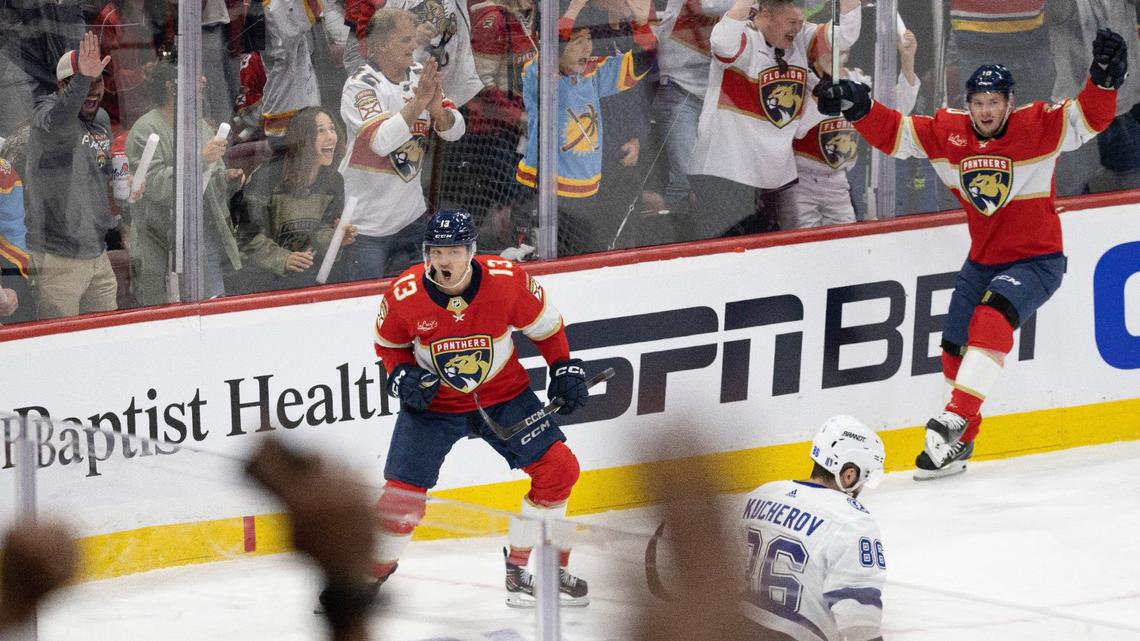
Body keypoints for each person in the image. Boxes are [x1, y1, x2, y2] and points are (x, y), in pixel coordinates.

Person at [814, 29, 1128, 480]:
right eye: (978, 102)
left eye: (994, 103)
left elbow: (1089, 119)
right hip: (982, 259)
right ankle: (959, 445)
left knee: (991, 316)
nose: (985, 111)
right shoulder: (948, 134)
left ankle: (958, 415)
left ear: (1009, 103)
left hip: (1038, 260)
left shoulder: (1037, 125)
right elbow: (897, 135)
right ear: (970, 104)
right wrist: (857, 106)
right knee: (953, 343)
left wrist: (1103, 79)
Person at [370, 208, 591, 607]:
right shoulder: (404, 294)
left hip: (504, 395)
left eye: (453, 251)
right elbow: (389, 346)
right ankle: (365, 579)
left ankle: (527, 569)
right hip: (435, 405)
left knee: (560, 470)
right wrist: (402, 376)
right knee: (400, 500)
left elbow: (546, 326)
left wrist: (562, 366)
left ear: (471, 250)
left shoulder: (507, 281)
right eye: (436, 251)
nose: (444, 261)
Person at [685, 0, 861, 239]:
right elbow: (722, 43)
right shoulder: (743, 37)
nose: (797, 28)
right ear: (765, 14)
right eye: (791, 22)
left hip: (773, 179)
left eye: (800, 22)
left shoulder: (802, 38)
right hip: (727, 174)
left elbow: (845, 35)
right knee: (728, 261)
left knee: (771, 262)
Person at [515, 0, 656, 256]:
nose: (586, 47)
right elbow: (551, 48)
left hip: (588, 193)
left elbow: (641, 65)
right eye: (577, 40)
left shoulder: (592, 75)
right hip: (545, 192)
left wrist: (642, 24)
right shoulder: (536, 71)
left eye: (588, 39)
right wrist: (572, 10)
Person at [339, 7, 465, 281]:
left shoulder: (420, 75)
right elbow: (381, 142)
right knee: (367, 305)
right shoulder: (360, 87)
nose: (415, 45)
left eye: (413, 38)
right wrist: (419, 103)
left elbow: (455, 130)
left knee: (424, 299)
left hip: (413, 220)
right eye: (406, 40)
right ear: (383, 45)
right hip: (367, 230)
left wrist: (436, 110)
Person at [739, 415, 887, 641]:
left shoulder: (759, 495)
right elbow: (859, 621)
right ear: (849, 474)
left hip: (733, 629)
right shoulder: (853, 522)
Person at [126, 59, 244, 305]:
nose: (203, 82)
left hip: (202, 238)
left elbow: (212, 183)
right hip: (158, 244)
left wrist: (227, 179)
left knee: (211, 308)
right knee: (161, 317)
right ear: (171, 87)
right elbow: (155, 186)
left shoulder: (201, 126)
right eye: (194, 78)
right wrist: (199, 160)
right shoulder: (144, 130)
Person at [23, 32, 122, 319]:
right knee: (60, 345)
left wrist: (124, 189)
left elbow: (97, 172)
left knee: (106, 336)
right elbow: (61, 125)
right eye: (82, 83)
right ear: (62, 85)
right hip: (58, 257)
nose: (92, 90)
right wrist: (83, 78)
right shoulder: (46, 114)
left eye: (98, 82)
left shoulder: (101, 119)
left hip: (97, 253)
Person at [788, 32, 919, 229]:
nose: (839, 53)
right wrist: (825, 90)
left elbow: (897, 109)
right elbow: (797, 129)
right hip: (800, 180)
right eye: (832, 47)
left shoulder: (857, 80)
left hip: (838, 180)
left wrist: (907, 60)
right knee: (803, 244)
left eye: (843, 47)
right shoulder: (802, 80)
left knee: (845, 242)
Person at [233, 105, 356, 293]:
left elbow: (319, 232)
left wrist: (337, 238)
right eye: (320, 131)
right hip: (259, 284)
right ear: (303, 139)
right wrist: (283, 259)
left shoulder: (334, 181)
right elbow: (246, 236)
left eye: (332, 129)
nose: (331, 136)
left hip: (305, 281)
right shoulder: (267, 176)